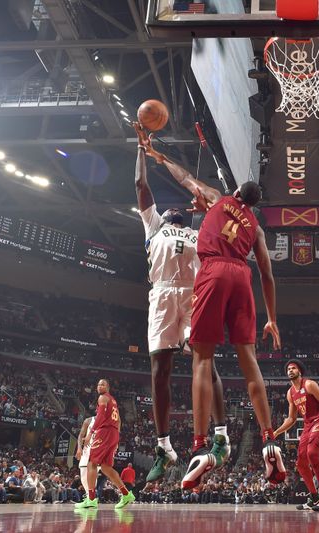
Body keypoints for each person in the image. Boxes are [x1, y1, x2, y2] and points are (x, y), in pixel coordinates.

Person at [135, 130, 284, 490]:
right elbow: (267, 273)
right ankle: (269, 439)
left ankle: (201, 446)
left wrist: (159, 157)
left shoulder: (217, 199)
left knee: (202, 359)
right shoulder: (257, 229)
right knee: (248, 360)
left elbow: (184, 177)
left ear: (235, 194)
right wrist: (273, 319)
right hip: (242, 277)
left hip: (213, 273)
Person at [134, 124, 230, 483]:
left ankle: (221, 437)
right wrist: (141, 149)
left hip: (193, 296)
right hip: (160, 295)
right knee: (160, 371)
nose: (173, 208)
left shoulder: (199, 230)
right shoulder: (153, 225)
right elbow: (141, 187)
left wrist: (204, 204)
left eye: (180, 208)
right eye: (169, 207)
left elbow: (215, 207)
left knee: (205, 363)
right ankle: (164, 446)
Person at [274, 360, 319, 512]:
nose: (290, 370)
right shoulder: (290, 393)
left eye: (293, 368)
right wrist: (276, 432)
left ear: (300, 371)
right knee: (300, 463)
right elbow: (292, 419)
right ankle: (314, 497)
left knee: (312, 453)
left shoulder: (310, 385)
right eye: (288, 369)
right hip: (307, 425)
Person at [74, 379, 135, 510]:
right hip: (113, 434)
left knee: (92, 463)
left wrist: (91, 432)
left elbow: (100, 416)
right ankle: (126, 494)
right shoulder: (113, 401)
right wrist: (117, 439)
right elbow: (118, 421)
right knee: (106, 468)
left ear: (108, 387)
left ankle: (90, 499)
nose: (100, 386)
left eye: (103, 384)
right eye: (98, 384)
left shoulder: (103, 398)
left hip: (104, 432)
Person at [76, 415, 95, 496]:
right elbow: (80, 435)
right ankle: (89, 495)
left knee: (93, 474)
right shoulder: (89, 420)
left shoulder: (107, 421)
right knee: (83, 473)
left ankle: (91, 497)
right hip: (87, 449)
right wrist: (79, 448)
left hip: (98, 450)